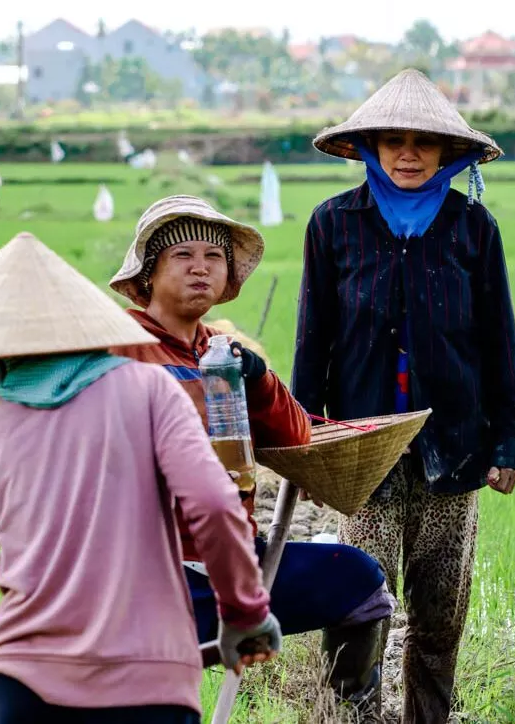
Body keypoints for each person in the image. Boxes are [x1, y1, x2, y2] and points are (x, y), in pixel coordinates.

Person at [0, 232, 280, 724]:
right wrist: (245, 615)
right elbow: (215, 504)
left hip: (22, 691)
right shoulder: (152, 392)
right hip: (149, 686)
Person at [292, 70, 515, 724]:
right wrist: (305, 439)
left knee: (440, 608)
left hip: (453, 443)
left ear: (447, 153)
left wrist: (509, 439)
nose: (407, 155)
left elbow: (499, 339)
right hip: (363, 446)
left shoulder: (472, 227)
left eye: (423, 143)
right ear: (369, 148)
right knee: (359, 598)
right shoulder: (333, 224)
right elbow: (313, 340)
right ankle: (352, 718)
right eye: (393, 141)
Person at [110, 195, 396, 717]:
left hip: (238, 559)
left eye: (214, 257)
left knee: (359, 583)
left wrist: (259, 378)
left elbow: (296, 436)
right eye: (182, 255)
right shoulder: (121, 351)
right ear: (148, 273)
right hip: (157, 572)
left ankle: (348, 712)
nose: (201, 267)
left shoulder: (223, 353)